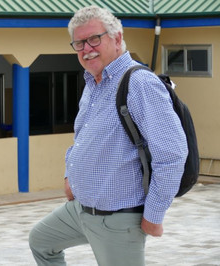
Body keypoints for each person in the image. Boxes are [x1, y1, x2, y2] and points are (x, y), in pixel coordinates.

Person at [29, 6, 188, 266]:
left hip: (117, 218)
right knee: (41, 241)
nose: (86, 48)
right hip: (80, 210)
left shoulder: (139, 84)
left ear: (116, 37)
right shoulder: (94, 83)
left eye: (94, 39)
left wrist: (154, 215)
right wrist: (70, 175)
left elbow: (172, 155)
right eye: (79, 43)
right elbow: (81, 138)